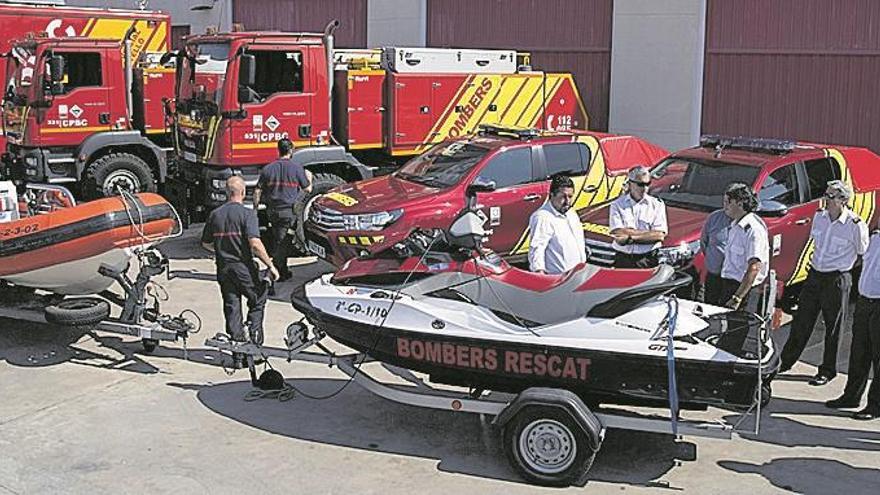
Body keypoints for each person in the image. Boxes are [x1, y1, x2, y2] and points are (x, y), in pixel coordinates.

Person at [780, 180, 869, 386]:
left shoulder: (855, 225)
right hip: (815, 276)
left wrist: (843, 268)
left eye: (830, 196)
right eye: (826, 194)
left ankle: (827, 370)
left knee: (833, 326)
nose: (825, 200)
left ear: (843, 200)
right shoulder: (820, 218)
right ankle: (786, 361)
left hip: (837, 279)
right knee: (802, 321)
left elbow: (862, 254)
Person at [201, 176, 279, 368]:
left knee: (232, 307)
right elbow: (255, 244)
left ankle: (237, 353)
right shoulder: (248, 214)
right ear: (243, 193)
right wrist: (270, 265)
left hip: (224, 269)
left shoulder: (215, 215)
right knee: (258, 300)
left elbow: (206, 243)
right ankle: (254, 348)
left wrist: (221, 250)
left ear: (227, 193)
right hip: (243, 268)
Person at [826, 228, 880, 419]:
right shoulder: (874, 237)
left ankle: (875, 406)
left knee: (878, 358)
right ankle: (851, 396)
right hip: (865, 301)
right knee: (859, 352)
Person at [252, 138, 312, 282]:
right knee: (283, 242)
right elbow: (308, 189)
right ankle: (271, 274)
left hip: (272, 211)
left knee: (279, 240)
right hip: (289, 212)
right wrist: (309, 177)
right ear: (290, 150)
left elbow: (257, 191)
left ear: (278, 150)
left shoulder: (268, 168)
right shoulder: (296, 168)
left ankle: (283, 271)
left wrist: (255, 207)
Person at [718, 183, 769, 313]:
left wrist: (737, 298)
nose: (725, 206)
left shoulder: (753, 230)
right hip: (729, 284)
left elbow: (754, 267)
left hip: (743, 289)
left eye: (728, 202)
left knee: (737, 329)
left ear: (740, 204)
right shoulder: (736, 225)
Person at [609, 165, 667, 268]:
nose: (645, 188)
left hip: (647, 259)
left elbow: (659, 235)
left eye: (647, 184)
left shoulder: (657, 205)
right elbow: (618, 232)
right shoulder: (617, 204)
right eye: (640, 184)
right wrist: (648, 234)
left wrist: (630, 238)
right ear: (630, 183)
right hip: (623, 259)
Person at [528, 175, 586, 274]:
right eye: (563, 197)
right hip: (557, 280)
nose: (567, 201)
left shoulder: (571, 213)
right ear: (551, 195)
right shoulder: (543, 217)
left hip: (577, 276)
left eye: (570, 196)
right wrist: (539, 273)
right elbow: (537, 248)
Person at [700, 207, 732, 305]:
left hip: (734, 279)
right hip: (714, 273)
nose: (727, 205)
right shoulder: (715, 217)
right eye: (725, 201)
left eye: (730, 202)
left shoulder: (749, 224)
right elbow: (704, 242)